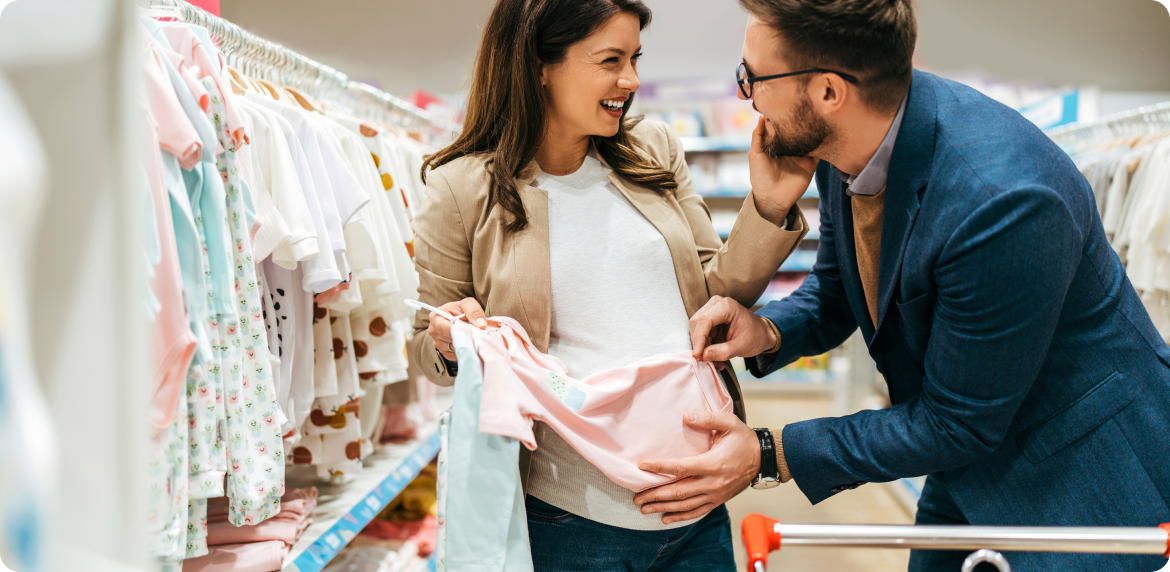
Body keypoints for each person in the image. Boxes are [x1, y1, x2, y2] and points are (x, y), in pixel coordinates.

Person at [632, 1, 1170, 570]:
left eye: (753, 78)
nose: (748, 97)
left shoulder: (1002, 200)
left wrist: (768, 453)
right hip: (962, 462)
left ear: (828, 93)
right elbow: (840, 288)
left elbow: (957, 420)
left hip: (1081, 479)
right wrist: (766, 331)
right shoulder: (851, 145)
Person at [408, 0, 810, 569]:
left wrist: (769, 204)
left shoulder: (653, 149)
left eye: (635, 58)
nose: (631, 80)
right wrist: (450, 341)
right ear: (538, 64)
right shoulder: (461, 189)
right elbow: (427, 345)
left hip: (696, 505)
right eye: (610, 60)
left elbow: (716, 294)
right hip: (570, 520)